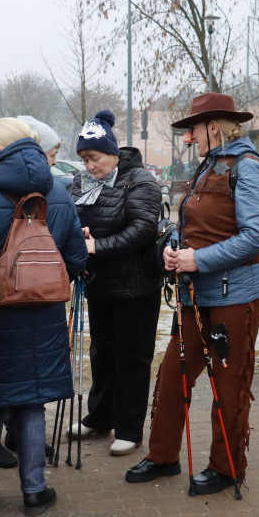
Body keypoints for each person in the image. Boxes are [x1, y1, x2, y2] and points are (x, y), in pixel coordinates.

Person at [125, 92, 259, 496]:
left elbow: (258, 235)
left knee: (229, 383)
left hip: (236, 296)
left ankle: (227, 468)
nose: (187, 138)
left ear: (213, 126)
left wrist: (198, 260)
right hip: (196, 295)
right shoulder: (207, 168)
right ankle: (163, 456)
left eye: (191, 129)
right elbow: (190, 225)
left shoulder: (248, 168)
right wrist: (174, 246)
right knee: (173, 375)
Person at [0, 117, 87, 515]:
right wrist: (40, 284)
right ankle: (35, 490)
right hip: (44, 313)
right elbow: (76, 257)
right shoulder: (59, 192)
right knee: (31, 401)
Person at [69, 110, 163, 456]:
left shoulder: (140, 181)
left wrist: (97, 245)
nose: (88, 165)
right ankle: (100, 415)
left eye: (92, 157)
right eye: (83, 159)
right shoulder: (82, 182)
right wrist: (79, 234)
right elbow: (74, 216)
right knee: (102, 353)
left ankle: (129, 427)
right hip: (99, 284)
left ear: (112, 153)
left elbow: (142, 230)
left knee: (132, 357)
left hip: (136, 287)